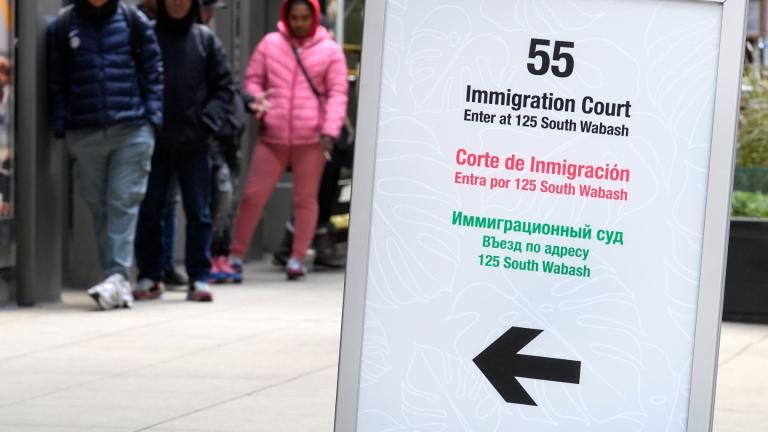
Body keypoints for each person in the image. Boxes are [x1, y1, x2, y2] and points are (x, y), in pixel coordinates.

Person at [47, 0, 163, 310]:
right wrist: (62, 122)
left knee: (122, 201)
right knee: (98, 205)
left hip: (132, 129)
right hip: (84, 131)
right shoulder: (62, 25)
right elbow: (56, 80)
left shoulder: (132, 20)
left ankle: (116, 276)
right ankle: (117, 280)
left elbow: (153, 69)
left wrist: (152, 117)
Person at [230, 0, 348, 280]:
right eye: (294, 17)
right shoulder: (271, 43)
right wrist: (258, 102)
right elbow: (253, 79)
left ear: (314, 17)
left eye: (304, 17)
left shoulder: (330, 50)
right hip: (274, 135)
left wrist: (329, 131)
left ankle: (297, 257)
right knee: (252, 196)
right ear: (286, 16)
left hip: (311, 138)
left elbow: (338, 93)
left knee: (305, 199)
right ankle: (236, 255)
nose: (299, 23)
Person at [134, 0, 234, 301]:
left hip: (195, 142)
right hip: (155, 140)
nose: (177, 3)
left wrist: (206, 124)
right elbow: (135, 80)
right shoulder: (146, 35)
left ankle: (199, 277)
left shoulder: (205, 40)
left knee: (199, 212)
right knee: (150, 209)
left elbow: (224, 88)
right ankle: (150, 275)